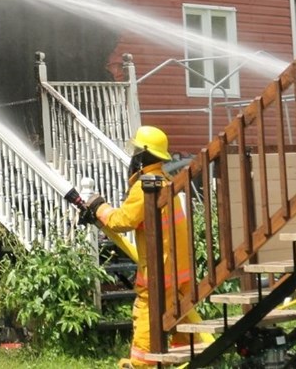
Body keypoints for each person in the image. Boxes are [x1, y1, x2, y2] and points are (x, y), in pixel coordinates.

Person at [80, 125, 208, 365]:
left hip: (160, 270)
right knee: (179, 314)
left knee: (146, 315)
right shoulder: (165, 180)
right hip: (179, 267)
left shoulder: (145, 185)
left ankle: (142, 364)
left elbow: (123, 221)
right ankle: (189, 359)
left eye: (137, 150)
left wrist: (99, 207)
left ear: (143, 155)